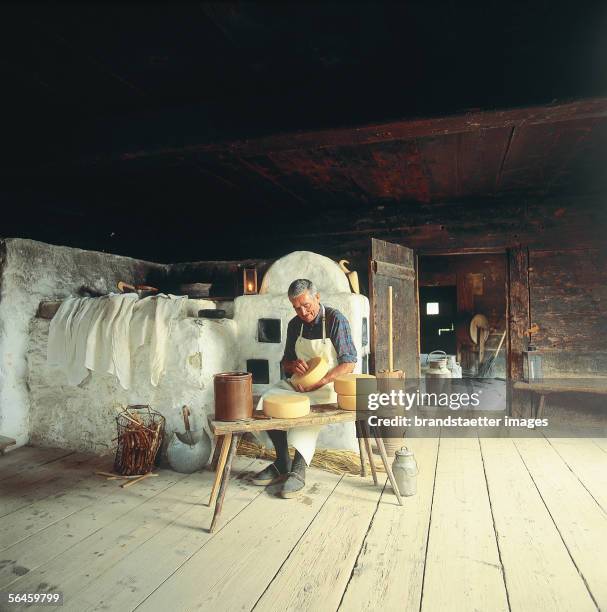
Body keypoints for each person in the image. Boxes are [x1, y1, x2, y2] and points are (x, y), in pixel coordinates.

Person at [252, 279, 357, 498]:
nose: (302, 312)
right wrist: (293, 365)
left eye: (306, 305)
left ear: (317, 297)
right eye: (296, 308)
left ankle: (298, 470)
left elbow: (349, 363)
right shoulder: (294, 325)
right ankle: (282, 461)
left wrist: (323, 379)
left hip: (326, 388)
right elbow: (286, 362)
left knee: (305, 413)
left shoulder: (336, 320)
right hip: (298, 384)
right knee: (266, 404)